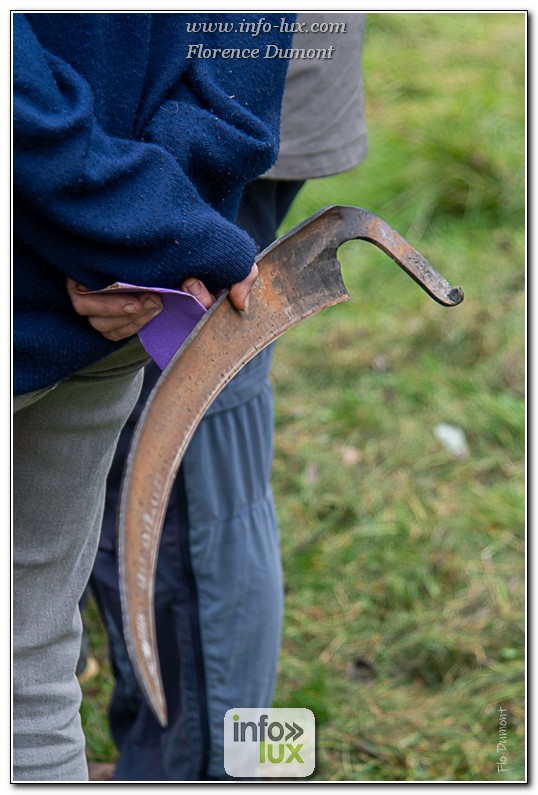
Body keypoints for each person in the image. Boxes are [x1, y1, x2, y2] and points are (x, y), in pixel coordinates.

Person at [12, 12, 297, 782]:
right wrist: (150, 223)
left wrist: (138, 226)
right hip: (115, 284)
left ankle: (200, 771)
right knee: (28, 673)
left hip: (96, 290)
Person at [83, 13, 368, 781]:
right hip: (145, 114)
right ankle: (159, 749)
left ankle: (206, 770)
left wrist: (158, 200)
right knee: (127, 464)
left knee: (187, 472)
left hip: (201, 108)